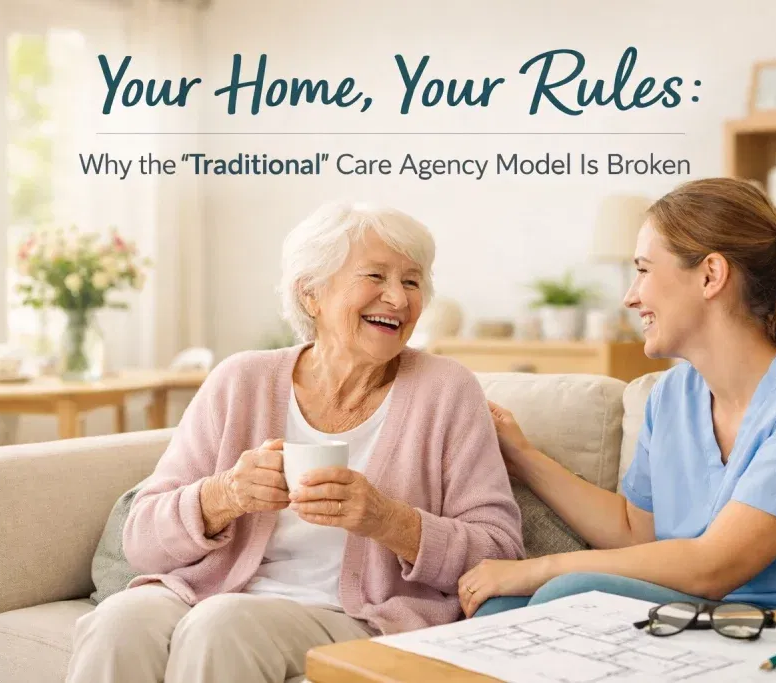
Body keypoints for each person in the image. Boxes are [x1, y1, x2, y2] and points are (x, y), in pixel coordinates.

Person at [67, 202, 524, 683]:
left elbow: (499, 552)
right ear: (311, 293)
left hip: (357, 617)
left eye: (411, 281)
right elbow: (140, 541)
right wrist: (223, 495)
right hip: (213, 590)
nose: (397, 298)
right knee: (117, 623)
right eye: (376, 276)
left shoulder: (447, 390)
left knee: (222, 625)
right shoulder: (241, 380)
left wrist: (389, 520)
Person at [460, 177, 776, 619]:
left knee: (570, 591)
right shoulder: (673, 395)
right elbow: (637, 533)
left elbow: (715, 567)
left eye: (642, 270)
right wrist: (523, 457)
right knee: (499, 606)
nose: (630, 297)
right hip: (701, 618)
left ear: (711, 275)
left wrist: (540, 569)